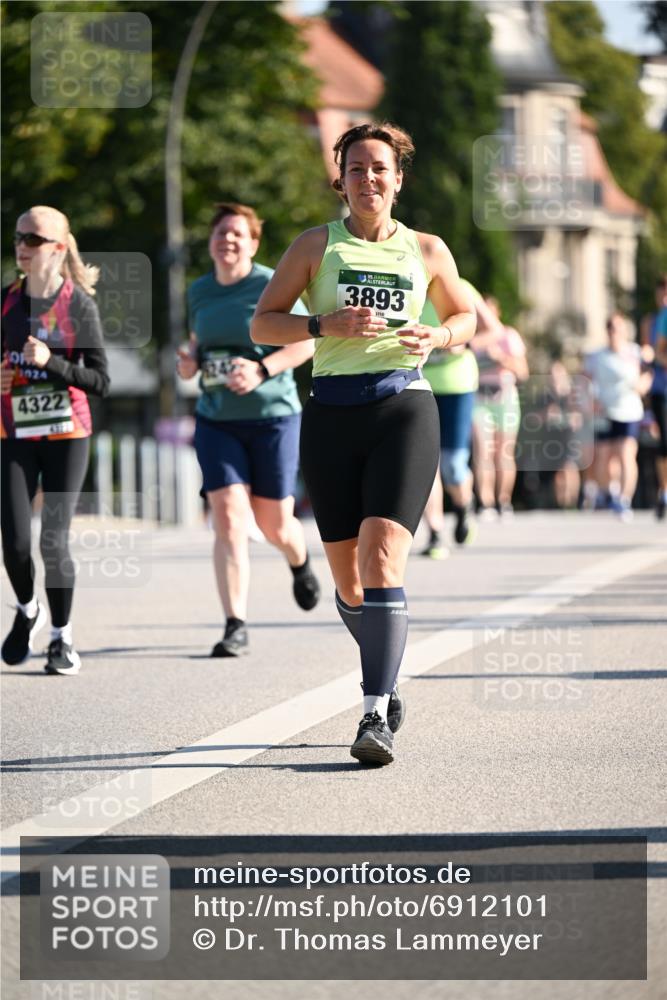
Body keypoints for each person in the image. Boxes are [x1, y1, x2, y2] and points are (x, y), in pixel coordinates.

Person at [251, 123, 475, 765]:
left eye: (380, 168)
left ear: (398, 179)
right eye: (356, 169)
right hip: (331, 414)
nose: (368, 179)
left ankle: (373, 712)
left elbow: (466, 316)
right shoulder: (315, 246)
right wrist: (323, 323)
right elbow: (264, 323)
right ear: (340, 180)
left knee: (383, 559)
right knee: (350, 583)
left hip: (404, 407)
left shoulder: (427, 250)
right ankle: (384, 658)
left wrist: (438, 338)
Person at [177, 202, 320, 658]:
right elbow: (201, 345)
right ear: (211, 243)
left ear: (253, 243)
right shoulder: (198, 290)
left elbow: (307, 343)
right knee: (229, 519)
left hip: (273, 417)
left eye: (238, 234)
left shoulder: (268, 284)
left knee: (274, 522)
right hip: (217, 418)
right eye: (221, 233)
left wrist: (262, 369)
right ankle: (235, 623)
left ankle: (299, 560)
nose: (228, 240)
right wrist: (189, 361)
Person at [1, 205, 109, 675]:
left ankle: (61, 639)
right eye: (19, 237)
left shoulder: (79, 305)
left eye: (33, 239)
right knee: (15, 542)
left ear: (59, 248)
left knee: (52, 541)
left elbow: (101, 381)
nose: (22, 247)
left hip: (68, 434)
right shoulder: (5, 302)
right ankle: (28, 611)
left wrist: (51, 362)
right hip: (14, 433)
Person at [420, 282, 507, 557]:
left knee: (453, 465)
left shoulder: (462, 289)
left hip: (457, 384)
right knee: (424, 463)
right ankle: (434, 533)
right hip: (418, 386)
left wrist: (462, 342)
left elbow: (495, 331)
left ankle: (463, 505)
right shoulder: (407, 283)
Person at [584, 312, 653, 521]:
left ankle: (624, 500)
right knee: (604, 458)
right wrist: (591, 400)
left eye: (619, 327)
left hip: (629, 411)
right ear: (607, 331)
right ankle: (609, 492)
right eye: (611, 328)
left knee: (626, 454)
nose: (615, 332)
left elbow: (649, 372)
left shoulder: (634, 352)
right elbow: (584, 380)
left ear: (624, 329)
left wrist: (643, 384)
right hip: (605, 411)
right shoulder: (597, 356)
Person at [470, 296, 528, 518]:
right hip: (479, 396)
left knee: (504, 453)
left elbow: (522, 371)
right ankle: (486, 503)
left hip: (504, 396)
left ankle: (504, 501)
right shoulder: (472, 339)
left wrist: (502, 358)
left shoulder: (508, 335)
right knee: (483, 451)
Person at [640, 275, 667, 519]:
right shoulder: (653, 320)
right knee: (664, 442)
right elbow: (654, 354)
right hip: (661, 387)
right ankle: (664, 492)